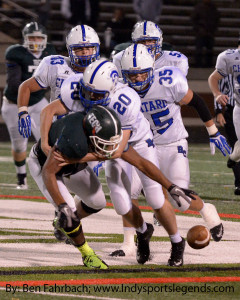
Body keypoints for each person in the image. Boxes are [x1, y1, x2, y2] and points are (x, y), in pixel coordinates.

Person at [39, 58, 200, 267]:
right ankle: (143, 232)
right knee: (121, 202)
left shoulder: (125, 101)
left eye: (96, 95)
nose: (89, 98)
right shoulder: (78, 86)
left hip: (135, 142)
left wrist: (74, 158)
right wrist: (44, 143)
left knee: (155, 199)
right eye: (87, 92)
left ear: (111, 90)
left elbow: (115, 151)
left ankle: (177, 241)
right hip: (105, 143)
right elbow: (48, 110)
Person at [109, 44, 230, 257]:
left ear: (152, 69)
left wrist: (213, 131)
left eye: (141, 74)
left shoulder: (168, 82)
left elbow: (197, 102)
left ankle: (206, 209)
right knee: (128, 194)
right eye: (131, 75)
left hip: (171, 143)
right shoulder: (120, 91)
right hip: (140, 146)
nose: (137, 79)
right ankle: (129, 242)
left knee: (180, 200)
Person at [17, 24, 101, 241]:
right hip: (61, 133)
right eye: (80, 49)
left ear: (97, 48)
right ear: (69, 50)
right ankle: (63, 213)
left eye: (89, 49)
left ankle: (67, 215)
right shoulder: (54, 64)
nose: (85, 54)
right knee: (59, 176)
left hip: (91, 135)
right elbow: (26, 87)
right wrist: (23, 111)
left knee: (96, 197)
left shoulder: (104, 70)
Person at [28, 106, 123, 269]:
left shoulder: (87, 132)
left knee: (97, 201)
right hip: (45, 165)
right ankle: (87, 255)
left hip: (71, 164)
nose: (109, 147)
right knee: (69, 210)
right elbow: (48, 173)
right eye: (104, 142)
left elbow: (118, 153)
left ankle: (63, 223)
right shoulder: (75, 140)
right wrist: (62, 206)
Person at [1, 22, 56, 190]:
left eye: (39, 37)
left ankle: (54, 175)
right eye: (32, 37)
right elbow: (13, 83)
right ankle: (21, 178)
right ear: (25, 38)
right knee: (20, 144)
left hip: (39, 101)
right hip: (15, 104)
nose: (36, 41)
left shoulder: (49, 52)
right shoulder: (16, 53)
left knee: (49, 139)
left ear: (45, 39)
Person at [210, 40, 240, 195]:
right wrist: (218, 110)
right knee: (237, 144)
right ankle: (239, 182)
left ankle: (233, 157)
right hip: (233, 108)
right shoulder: (229, 60)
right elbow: (217, 84)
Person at [112, 20, 189, 77]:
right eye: (142, 41)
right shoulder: (120, 58)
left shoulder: (176, 60)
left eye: (150, 41)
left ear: (159, 41)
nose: (146, 45)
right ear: (134, 43)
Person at [191, 0, 219, 68]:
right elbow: (194, 19)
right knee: (199, 49)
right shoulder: (199, 7)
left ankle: (208, 63)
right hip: (201, 31)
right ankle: (198, 63)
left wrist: (213, 29)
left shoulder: (213, 8)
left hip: (210, 31)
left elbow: (217, 18)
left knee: (209, 49)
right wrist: (198, 29)